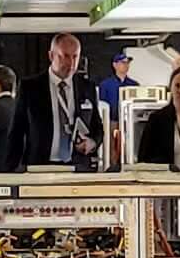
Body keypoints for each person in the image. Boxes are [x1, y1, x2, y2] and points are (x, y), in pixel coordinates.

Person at [6, 31, 107, 172]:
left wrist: (92, 142)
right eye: (65, 56)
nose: (71, 63)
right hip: (39, 166)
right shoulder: (30, 87)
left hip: (78, 166)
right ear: (51, 55)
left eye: (75, 57)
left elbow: (97, 127)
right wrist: (12, 171)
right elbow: (16, 131)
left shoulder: (87, 87)